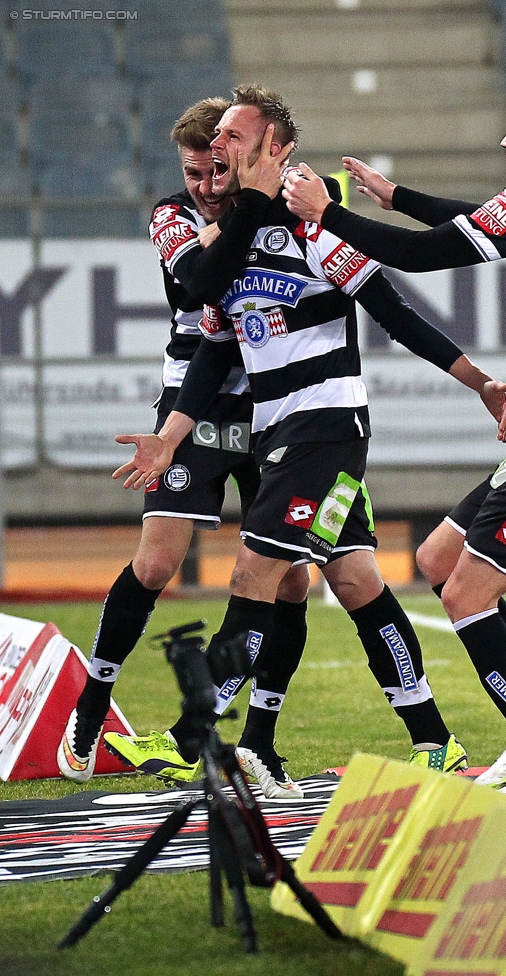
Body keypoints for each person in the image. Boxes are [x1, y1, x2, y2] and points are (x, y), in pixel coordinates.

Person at [115, 83, 506, 778]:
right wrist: (173, 436)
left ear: (276, 149)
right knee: (358, 579)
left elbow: (389, 306)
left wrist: (475, 378)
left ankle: (191, 740)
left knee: (254, 572)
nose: (219, 147)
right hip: (281, 439)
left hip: (325, 429)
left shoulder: (312, 222)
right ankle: (431, 739)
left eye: (234, 137)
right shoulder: (234, 235)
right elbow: (214, 346)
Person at [282, 80, 506, 807]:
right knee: (438, 559)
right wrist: (397, 198)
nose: (502, 146)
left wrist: (327, 216)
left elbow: (421, 259)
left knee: (465, 592)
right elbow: (478, 221)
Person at [57, 97, 311, 799]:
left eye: (213, 170)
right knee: (158, 560)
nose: (202, 184)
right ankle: (92, 702)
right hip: (193, 405)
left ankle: (260, 739)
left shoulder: (272, 206)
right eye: (192, 172)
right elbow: (203, 283)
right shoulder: (173, 216)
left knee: (292, 580)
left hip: (273, 404)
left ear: (239, 161)